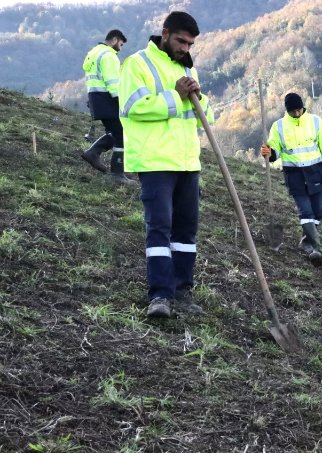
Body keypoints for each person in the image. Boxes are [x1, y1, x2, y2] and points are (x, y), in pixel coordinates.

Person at [118, 11, 214, 318]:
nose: (185, 48)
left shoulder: (188, 69)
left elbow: (204, 117)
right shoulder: (137, 64)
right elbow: (135, 107)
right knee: (159, 229)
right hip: (155, 161)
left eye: (190, 44)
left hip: (187, 162)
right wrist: (176, 95)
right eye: (181, 41)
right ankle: (160, 295)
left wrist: (200, 97)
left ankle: (182, 291)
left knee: (186, 232)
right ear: (165, 32)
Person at [260, 93, 322, 260]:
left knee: (318, 210)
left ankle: (306, 241)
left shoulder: (315, 121)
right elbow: (274, 147)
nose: (297, 114)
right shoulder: (279, 126)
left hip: (315, 172)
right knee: (306, 211)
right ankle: (319, 248)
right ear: (287, 111)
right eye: (293, 112)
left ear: (303, 107)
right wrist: (269, 152)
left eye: (299, 110)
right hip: (294, 174)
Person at [80, 29, 136, 185]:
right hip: (108, 99)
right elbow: (113, 83)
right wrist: (123, 101)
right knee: (121, 134)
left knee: (115, 131)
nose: (120, 48)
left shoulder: (94, 53)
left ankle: (93, 153)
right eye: (121, 44)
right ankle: (117, 174)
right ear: (115, 39)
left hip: (96, 98)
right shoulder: (109, 55)